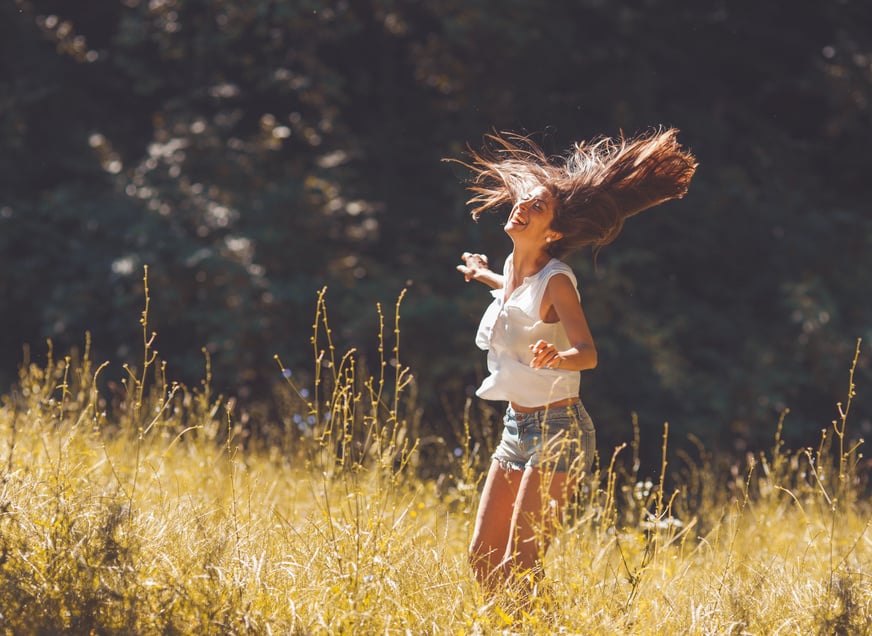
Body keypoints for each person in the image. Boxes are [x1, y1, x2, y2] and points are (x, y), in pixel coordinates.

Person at [452, 127, 697, 599]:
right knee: (483, 562)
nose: (520, 208)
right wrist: (479, 272)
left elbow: (589, 353)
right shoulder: (512, 267)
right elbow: (513, 295)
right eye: (523, 202)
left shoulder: (557, 281)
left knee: (520, 566)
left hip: (558, 430)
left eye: (535, 207)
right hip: (515, 429)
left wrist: (559, 356)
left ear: (555, 232)